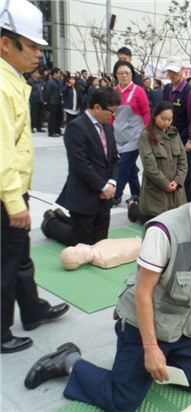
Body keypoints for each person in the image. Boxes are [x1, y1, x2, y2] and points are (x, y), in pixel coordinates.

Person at [25, 156, 191, 412]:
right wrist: (151, 348)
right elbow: (143, 292)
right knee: (123, 401)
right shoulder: (163, 232)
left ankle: (160, 358)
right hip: (143, 327)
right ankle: (70, 361)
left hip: (181, 327)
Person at [1, 0, 69, 354]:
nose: (38, 55)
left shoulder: (12, 80)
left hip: (13, 191)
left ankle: (32, 310)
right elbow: (2, 152)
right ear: (5, 43)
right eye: (31, 46)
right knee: (6, 262)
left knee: (19, 254)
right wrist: (14, 201)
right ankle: (1, 331)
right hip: (5, 194)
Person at [41, 88, 121, 246]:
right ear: (97, 107)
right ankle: (51, 223)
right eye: (111, 112)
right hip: (84, 194)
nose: (113, 116)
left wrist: (112, 183)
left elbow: (114, 158)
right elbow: (80, 164)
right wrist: (102, 187)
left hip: (105, 197)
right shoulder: (76, 127)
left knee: (100, 243)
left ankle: (63, 218)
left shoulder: (107, 127)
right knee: (81, 243)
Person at [137, 101, 187, 222]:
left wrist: (178, 180)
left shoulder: (174, 133)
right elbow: (150, 166)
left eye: (170, 119)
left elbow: (183, 160)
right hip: (155, 194)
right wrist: (164, 183)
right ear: (155, 116)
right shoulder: (146, 135)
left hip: (176, 193)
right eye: (163, 119)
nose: (166, 123)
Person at [111, 60, 150, 206]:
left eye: (127, 73)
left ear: (132, 74)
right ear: (116, 74)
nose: (124, 76)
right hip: (118, 135)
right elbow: (111, 114)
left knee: (123, 166)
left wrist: (146, 131)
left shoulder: (138, 91)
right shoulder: (114, 91)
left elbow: (146, 112)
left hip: (135, 135)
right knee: (131, 168)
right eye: (120, 73)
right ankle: (137, 194)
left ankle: (116, 195)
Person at [163, 56, 191, 200]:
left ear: (183, 71)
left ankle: (188, 203)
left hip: (183, 140)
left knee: (185, 173)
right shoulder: (167, 89)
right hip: (167, 138)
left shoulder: (190, 92)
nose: (173, 75)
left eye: (176, 71)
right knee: (169, 172)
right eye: (170, 71)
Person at [44, 67, 64, 137]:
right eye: (59, 73)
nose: (60, 74)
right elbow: (47, 92)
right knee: (52, 118)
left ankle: (57, 130)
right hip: (53, 102)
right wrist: (45, 101)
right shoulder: (50, 82)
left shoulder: (57, 81)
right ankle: (51, 132)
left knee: (59, 117)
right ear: (55, 73)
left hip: (58, 102)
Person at [28, 68, 44, 132]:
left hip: (41, 99)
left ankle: (39, 127)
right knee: (34, 114)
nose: (38, 74)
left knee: (40, 114)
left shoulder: (40, 81)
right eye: (37, 73)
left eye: (38, 73)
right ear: (33, 73)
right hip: (34, 100)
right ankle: (32, 127)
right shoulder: (30, 81)